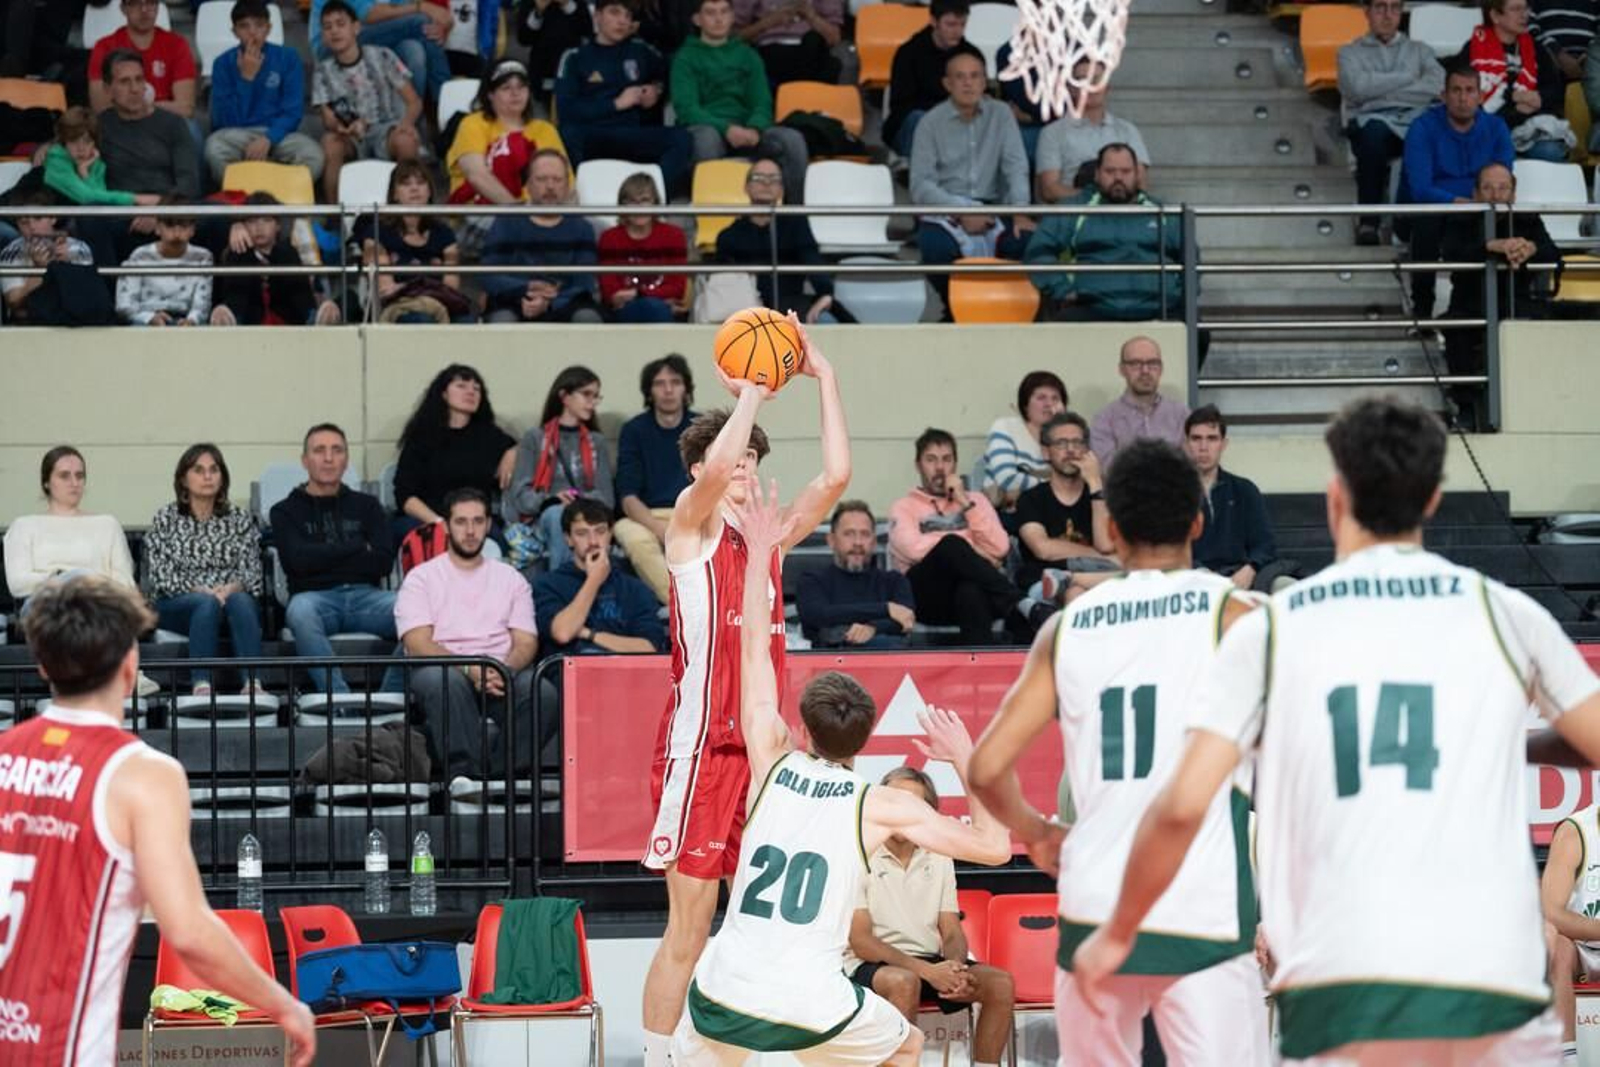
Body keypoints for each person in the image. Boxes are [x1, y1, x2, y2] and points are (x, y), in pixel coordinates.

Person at [1070, 396, 1600, 1062]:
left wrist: (1119, 930)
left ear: (1334, 497)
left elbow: (1179, 807)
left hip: (1340, 969)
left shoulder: (1272, 625)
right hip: (1489, 967)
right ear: (1433, 499)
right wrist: (1511, 743)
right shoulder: (1504, 611)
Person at [669, 479, 1012, 1067]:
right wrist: (965, 760)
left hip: (720, 988)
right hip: (810, 1001)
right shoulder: (879, 803)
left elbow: (751, 647)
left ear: (802, 731)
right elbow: (996, 848)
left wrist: (757, 556)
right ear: (866, 743)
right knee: (904, 1044)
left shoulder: (772, 761)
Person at [966, 437, 1269, 1066]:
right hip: (1202, 915)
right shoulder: (1239, 616)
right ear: (1198, 520)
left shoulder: (1068, 626)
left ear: (1112, 528)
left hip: (1094, 906)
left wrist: (1037, 833)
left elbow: (987, 768)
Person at [640, 317, 850, 1067]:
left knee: (753, 925)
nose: (748, 471)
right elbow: (713, 470)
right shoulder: (688, 532)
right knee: (688, 926)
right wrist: (754, 395)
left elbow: (835, 479)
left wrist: (823, 376)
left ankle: (733, 1052)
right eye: (737, 463)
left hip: (763, 752)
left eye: (756, 463)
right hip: (700, 750)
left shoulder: (772, 538)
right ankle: (659, 1058)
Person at [0, 576, 315, 1067]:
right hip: (57, 1049)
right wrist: (284, 1005)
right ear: (131, 666)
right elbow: (188, 931)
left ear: (42, 666)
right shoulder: (142, 774)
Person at [847, 766, 1015, 1067]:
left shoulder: (938, 853)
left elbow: (950, 930)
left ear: (927, 812)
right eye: (893, 799)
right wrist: (928, 971)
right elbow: (861, 941)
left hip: (926, 962)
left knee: (1000, 983)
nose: (900, 810)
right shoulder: (859, 850)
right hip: (868, 966)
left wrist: (956, 969)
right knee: (904, 982)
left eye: (911, 804)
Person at [396, 487, 544, 781]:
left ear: (489, 524)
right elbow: (417, 641)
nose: (470, 530)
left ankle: (503, 778)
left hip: (500, 675)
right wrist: (469, 667)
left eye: (478, 521)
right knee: (444, 680)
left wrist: (503, 670)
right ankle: (464, 778)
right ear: (447, 526)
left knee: (544, 692)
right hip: (443, 670)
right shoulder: (421, 578)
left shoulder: (510, 578)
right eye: (461, 522)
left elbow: (526, 641)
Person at [271, 423, 399, 696]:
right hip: (315, 600)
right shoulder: (284, 511)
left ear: (346, 459)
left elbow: (382, 562)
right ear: (305, 461)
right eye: (319, 450)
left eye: (336, 450)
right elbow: (297, 563)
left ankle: (392, 696)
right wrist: (356, 547)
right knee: (299, 611)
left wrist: (318, 557)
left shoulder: (369, 506)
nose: (328, 458)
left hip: (368, 599)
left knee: (418, 611)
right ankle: (339, 700)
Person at [887, 428, 1044, 646]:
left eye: (947, 459)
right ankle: (1020, 602)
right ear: (918, 465)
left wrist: (965, 504)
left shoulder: (975, 500)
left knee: (970, 590)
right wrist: (975, 550)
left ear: (955, 464)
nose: (940, 468)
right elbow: (914, 549)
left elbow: (1000, 547)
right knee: (951, 544)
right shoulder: (903, 507)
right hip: (924, 597)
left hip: (972, 594)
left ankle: (981, 671)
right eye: (931, 460)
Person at [1441, 161, 1560, 431]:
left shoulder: (1526, 219)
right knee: (1457, 329)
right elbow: (1452, 254)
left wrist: (1529, 248)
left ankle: (1537, 405)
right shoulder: (1460, 218)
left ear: (1514, 194)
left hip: (1517, 300)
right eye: (1488, 188)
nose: (1495, 195)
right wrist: (1490, 247)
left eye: (1503, 188)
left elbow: (1553, 253)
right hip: (1470, 302)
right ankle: (1467, 408)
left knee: (1542, 323)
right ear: (1475, 193)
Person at [911, 52, 1032, 312]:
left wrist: (1021, 210)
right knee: (934, 248)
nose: (968, 83)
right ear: (947, 84)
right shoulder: (929, 122)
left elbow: (1016, 167)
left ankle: (1007, 312)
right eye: (960, 77)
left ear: (984, 81)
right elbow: (921, 185)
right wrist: (961, 210)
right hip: (946, 208)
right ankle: (954, 310)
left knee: (1029, 242)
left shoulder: (1001, 114)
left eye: (975, 76)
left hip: (994, 208)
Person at [142, 444, 265, 696]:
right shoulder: (166, 518)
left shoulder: (238, 519)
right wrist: (200, 591)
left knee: (241, 600)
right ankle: (202, 684)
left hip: (229, 601)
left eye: (214, 470)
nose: (207, 476)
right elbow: (160, 576)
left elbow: (252, 571)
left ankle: (253, 684)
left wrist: (231, 588)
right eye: (198, 470)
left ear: (222, 477)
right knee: (204, 604)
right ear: (183, 479)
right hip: (179, 604)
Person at [1401, 60, 1515, 316]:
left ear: (1481, 96)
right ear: (1444, 95)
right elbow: (1420, 189)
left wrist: (1480, 203)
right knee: (1426, 222)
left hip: (1481, 205)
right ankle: (1422, 310)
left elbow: (1502, 177)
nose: (1463, 98)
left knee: (1507, 222)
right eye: (1456, 90)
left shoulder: (1496, 128)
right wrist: (1460, 203)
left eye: (1469, 90)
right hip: (1438, 209)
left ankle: (1498, 311)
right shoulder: (1422, 128)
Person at [1025, 142, 1183, 323]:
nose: (1118, 178)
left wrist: (1177, 293)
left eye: (1125, 171)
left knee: (1198, 336)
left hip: (1157, 308)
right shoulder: (1075, 208)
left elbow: (1190, 258)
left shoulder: (1162, 212)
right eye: (1110, 171)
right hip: (1092, 308)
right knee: (1063, 328)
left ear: (1137, 174)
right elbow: (1038, 253)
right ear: (1097, 174)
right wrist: (1063, 290)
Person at [670, 0, 810, 200]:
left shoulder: (748, 55)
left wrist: (755, 127)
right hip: (708, 128)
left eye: (724, 12)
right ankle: (710, 216)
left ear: (732, 17)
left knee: (792, 140)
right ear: (697, 20)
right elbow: (687, 109)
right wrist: (726, 128)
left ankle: (795, 220)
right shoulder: (685, 57)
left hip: (748, 130)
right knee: (705, 139)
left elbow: (762, 102)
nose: (719, 19)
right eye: (710, 13)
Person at [554, 0, 693, 197]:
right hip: (594, 135)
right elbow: (567, 111)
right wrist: (615, 104)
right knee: (566, 134)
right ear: (597, 17)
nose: (622, 21)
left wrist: (656, 89)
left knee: (682, 138)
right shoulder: (575, 56)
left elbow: (668, 71)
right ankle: (582, 198)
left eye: (627, 16)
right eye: (615, 13)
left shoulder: (640, 50)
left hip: (632, 134)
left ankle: (653, 197)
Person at [1338, 0, 1444, 244]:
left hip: (1414, 120)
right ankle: (1369, 222)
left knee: (1431, 133)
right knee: (1373, 134)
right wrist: (1408, 78)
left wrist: (1380, 92)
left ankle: (1409, 226)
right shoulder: (1349, 52)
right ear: (1367, 12)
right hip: (1370, 123)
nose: (1388, 15)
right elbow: (1357, 89)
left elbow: (1437, 86)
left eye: (1395, 7)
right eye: (1380, 7)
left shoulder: (1420, 50)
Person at [444, 58, 568, 253]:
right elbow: (477, 175)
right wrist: (519, 212)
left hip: (540, 213)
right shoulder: (473, 124)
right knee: (529, 238)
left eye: (521, 87)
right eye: (506, 87)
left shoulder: (545, 130)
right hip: (482, 213)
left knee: (592, 231)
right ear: (490, 94)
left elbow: (567, 182)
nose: (515, 93)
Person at [504, 365, 617, 572]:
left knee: (574, 518)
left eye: (596, 397)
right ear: (564, 396)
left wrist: (576, 498)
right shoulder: (534, 439)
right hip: (543, 519)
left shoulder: (597, 441)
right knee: (558, 514)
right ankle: (564, 585)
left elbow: (607, 499)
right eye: (586, 395)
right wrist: (553, 499)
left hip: (586, 515)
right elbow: (520, 497)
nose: (592, 403)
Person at [313, 0, 425, 206]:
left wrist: (406, 124)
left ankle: (411, 211)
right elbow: (327, 117)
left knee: (406, 140)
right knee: (331, 142)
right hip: (351, 136)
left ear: (356, 28)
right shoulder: (323, 70)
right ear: (323, 36)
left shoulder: (383, 55)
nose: (334, 31)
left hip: (385, 130)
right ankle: (334, 214)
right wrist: (340, 127)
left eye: (340, 24)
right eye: (327, 27)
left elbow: (414, 102)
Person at [204, 0, 325, 186]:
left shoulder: (288, 58)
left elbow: (292, 112)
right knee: (214, 147)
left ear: (268, 28)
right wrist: (246, 79)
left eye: (259, 25)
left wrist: (269, 138)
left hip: (279, 135)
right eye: (244, 26)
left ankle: (272, 190)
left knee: (313, 155)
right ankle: (251, 191)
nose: (252, 32)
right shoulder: (222, 63)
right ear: (234, 32)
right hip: (238, 135)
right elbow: (224, 121)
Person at [532, 498, 668, 657]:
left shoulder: (635, 589)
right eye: (582, 533)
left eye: (600, 531)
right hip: (571, 676)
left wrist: (589, 634)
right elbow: (563, 632)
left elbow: (649, 647)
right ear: (568, 539)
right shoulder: (547, 584)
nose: (593, 541)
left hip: (625, 676)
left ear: (610, 534)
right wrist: (594, 580)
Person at [481, 148, 602, 323]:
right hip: (514, 300)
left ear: (567, 185)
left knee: (588, 318)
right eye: (542, 179)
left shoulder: (582, 227)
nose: (550, 186)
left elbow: (584, 283)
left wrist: (548, 302)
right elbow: (489, 275)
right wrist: (526, 289)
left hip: (566, 303)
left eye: (557, 179)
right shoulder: (507, 220)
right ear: (528, 185)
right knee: (502, 320)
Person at [392, 364, 519, 532]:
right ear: (444, 394)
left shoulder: (489, 436)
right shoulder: (422, 437)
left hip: (474, 524)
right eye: (461, 386)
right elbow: (405, 495)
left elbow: (526, 447)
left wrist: (512, 453)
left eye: (476, 389)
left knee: (495, 543)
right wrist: (439, 523)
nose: (471, 392)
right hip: (429, 520)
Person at [613, 354, 697, 603]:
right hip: (648, 516)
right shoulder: (634, 430)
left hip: (695, 512)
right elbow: (628, 497)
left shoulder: (702, 427)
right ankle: (681, 603)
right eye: (659, 383)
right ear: (649, 392)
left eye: (675, 382)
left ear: (686, 388)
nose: (668, 390)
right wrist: (660, 529)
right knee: (628, 534)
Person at [4, 446, 136, 603]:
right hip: (45, 609)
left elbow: (126, 583)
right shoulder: (24, 527)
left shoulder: (107, 525)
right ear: (46, 482)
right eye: (64, 476)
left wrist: (77, 581)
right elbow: (17, 584)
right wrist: (64, 578)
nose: (74, 483)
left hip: (99, 609)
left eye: (79, 476)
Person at [714, 156, 836, 322]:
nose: (766, 183)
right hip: (746, 311)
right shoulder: (729, 236)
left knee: (825, 319)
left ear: (781, 190)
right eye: (758, 178)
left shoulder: (796, 224)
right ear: (746, 187)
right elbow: (723, 284)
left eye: (774, 179)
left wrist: (825, 294)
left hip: (791, 306)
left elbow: (811, 258)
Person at [1181, 405, 1283, 593]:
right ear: (1186, 444)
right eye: (1196, 439)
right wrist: (1200, 572)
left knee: (1286, 585)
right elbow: (1170, 549)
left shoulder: (1244, 490)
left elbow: (1265, 544)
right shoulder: (1173, 493)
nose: (1203, 447)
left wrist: (1250, 568)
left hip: (1241, 577)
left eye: (1212, 439)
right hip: (1192, 581)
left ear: (1223, 444)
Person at [1015, 411, 1116, 598]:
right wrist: (1100, 557)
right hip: (1044, 580)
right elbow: (1043, 549)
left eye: (1077, 443)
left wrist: (1095, 484)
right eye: (1061, 443)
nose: (1070, 450)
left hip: (1098, 578)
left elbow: (1108, 546)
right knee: (1075, 592)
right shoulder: (1031, 499)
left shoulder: (1102, 497)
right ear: (1046, 452)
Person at [355, 161, 468, 323]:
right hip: (398, 307)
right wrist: (428, 288)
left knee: (467, 322)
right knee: (421, 319)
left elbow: (451, 286)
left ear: (429, 191)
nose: (414, 188)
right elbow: (385, 288)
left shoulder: (444, 233)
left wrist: (411, 288)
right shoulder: (376, 232)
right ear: (394, 194)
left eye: (421, 183)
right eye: (406, 184)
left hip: (440, 305)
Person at [796, 499, 915, 650]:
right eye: (849, 534)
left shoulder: (894, 581)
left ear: (873, 541)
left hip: (887, 667)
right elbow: (819, 615)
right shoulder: (812, 581)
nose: (858, 542)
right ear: (831, 540)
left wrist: (873, 628)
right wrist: (886, 609)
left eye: (865, 534)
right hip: (828, 669)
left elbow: (906, 620)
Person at [211, 192, 343, 326]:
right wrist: (234, 226)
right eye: (252, 221)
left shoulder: (287, 252)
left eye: (267, 220)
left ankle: (311, 317)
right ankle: (231, 318)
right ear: (243, 226)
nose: (259, 227)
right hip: (249, 319)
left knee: (286, 255)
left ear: (278, 225)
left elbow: (300, 291)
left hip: (287, 316)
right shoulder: (238, 253)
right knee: (239, 254)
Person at [1034, 58, 1152, 204]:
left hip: (1121, 216)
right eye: (1081, 80)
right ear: (1070, 88)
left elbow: (1140, 185)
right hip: (1071, 218)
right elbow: (1049, 190)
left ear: (1107, 86)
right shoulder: (1052, 133)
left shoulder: (1128, 131)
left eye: (1095, 80)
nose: (1088, 86)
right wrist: (1098, 199)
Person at [1464, 0, 1570, 162]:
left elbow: (1556, 89)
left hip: (1529, 128)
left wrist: (1538, 97)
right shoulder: (1473, 49)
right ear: (1495, 15)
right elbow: (1466, 95)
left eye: (1526, 8)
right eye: (1515, 9)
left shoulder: (1536, 48)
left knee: (1551, 151)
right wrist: (1514, 97)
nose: (1524, 14)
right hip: (1488, 127)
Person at [96, 49, 200, 210]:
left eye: (139, 79)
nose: (135, 89)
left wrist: (158, 210)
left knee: (219, 215)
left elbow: (188, 183)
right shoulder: (99, 126)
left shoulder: (173, 123)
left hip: (169, 211)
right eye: (124, 82)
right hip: (122, 213)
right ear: (107, 89)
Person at [882, 0, 984, 159]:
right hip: (915, 124)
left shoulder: (972, 55)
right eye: (950, 24)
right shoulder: (909, 53)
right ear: (933, 21)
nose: (957, 31)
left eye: (962, 25)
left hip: (961, 122)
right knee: (921, 121)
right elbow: (902, 106)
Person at [1542, 799, 1600, 1061]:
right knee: (1552, 941)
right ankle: (1568, 1057)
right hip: (1579, 945)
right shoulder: (1575, 832)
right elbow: (1552, 911)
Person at [309, 0, 451, 105]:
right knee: (420, 22)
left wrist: (438, 28)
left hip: (378, 38)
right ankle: (446, 104)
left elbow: (404, 10)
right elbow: (369, 15)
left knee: (414, 50)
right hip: (331, 44)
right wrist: (421, 7)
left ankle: (411, 121)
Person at [86, 0, 198, 130]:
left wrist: (141, 107)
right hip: (121, 123)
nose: (144, 9)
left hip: (164, 121)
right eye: (135, 3)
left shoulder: (177, 44)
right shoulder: (104, 47)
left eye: (151, 3)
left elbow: (186, 108)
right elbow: (101, 108)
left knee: (190, 129)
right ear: (123, 8)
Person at [598, 172, 690, 323]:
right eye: (632, 202)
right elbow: (611, 293)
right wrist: (656, 296)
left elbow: (677, 288)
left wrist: (637, 294)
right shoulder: (609, 238)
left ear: (655, 203)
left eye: (645, 200)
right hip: (623, 312)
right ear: (622, 206)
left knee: (653, 308)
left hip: (661, 310)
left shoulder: (674, 235)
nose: (639, 208)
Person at [1088, 336, 1190, 471]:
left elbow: (1190, 465)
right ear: (1122, 369)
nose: (1145, 371)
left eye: (1152, 363)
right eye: (1136, 364)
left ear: (1161, 369)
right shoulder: (1104, 419)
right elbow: (1108, 470)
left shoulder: (1182, 415)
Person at [0, 192, 98, 322]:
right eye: (24, 222)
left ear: (53, 218)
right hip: (30, 324)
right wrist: (38, 269)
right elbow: (14, 303)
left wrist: (65, 267)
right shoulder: (11, 253)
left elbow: (87, 299)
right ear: (17, 225)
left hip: (73, 321)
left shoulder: (77, 248)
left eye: (38, 218)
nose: (32, 227)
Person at [115, 196, 212, 326]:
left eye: (183, 225)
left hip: (185, 319)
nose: (177, 232)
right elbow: (124, 304)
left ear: (192, 230)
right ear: (157, 228)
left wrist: (191, 321)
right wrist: (149, 318)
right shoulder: (140, 255)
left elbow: (202, 305)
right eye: (170, 225)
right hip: (145, 319)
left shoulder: (203, 256)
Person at [980, 370, 1067, 513]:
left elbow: (1075, 477)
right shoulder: (1005, 427)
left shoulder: (1065, 436)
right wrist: (1056, 487)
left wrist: (1063, 426)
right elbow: (1007, 479)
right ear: (1025, 404)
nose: (1049, 404)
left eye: (1055, 398)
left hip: (1052, 511)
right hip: (1008, 512)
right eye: (1041, 398)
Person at [42, 106, 157, 209]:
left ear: (94, 143)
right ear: (64, 142)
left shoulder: (96, 164)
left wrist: (85, 173)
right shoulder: (56, 162)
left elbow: (100, 205)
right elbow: (87, 197)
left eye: (87, 141)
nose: (81, 148)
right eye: (74, 141)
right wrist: (135, 199)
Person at [732, 0, 844, 87]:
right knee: (829, 66)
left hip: (812, 48)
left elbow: (834, 38)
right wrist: (769, 22)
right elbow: (736, 37)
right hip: (774, 48)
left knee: (814, 43)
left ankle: (798, 102)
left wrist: (810, 15)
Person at [1531, 0, 1597, 82]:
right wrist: (1557, 53)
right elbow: (1529, 25)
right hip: (1546, 67)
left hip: (1589, 70)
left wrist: (1589, 57)